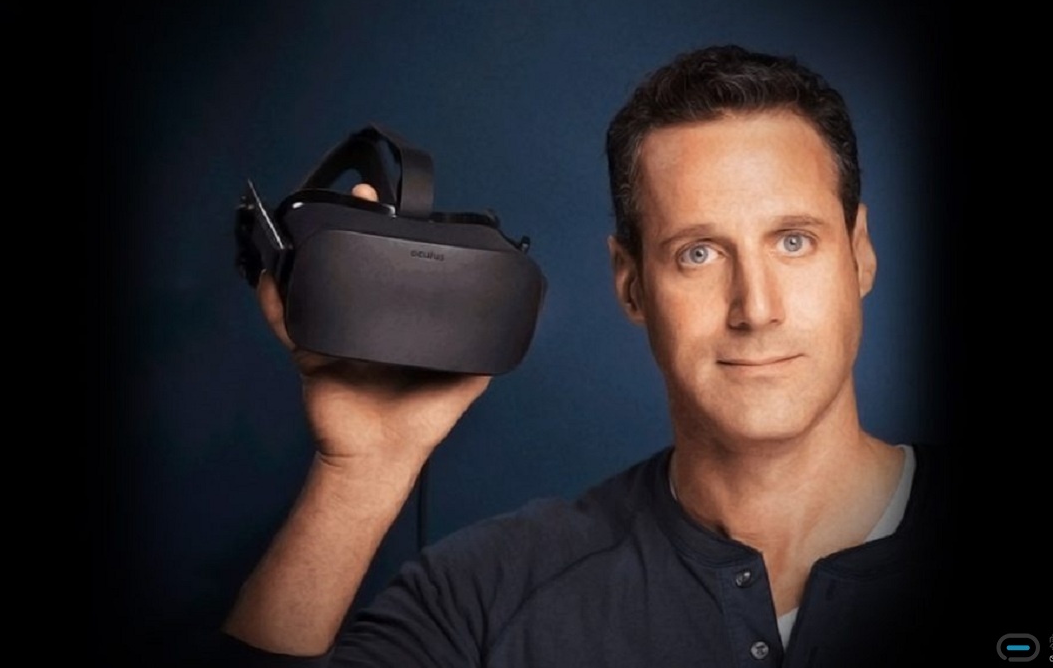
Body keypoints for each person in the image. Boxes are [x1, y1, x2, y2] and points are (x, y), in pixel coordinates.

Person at [220, 44, 951, 667]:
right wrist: (362, 472)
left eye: (794, 241)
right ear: (630, 285)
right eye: (697, 253)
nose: (756, 308)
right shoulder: (487, 592)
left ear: (859, 254)